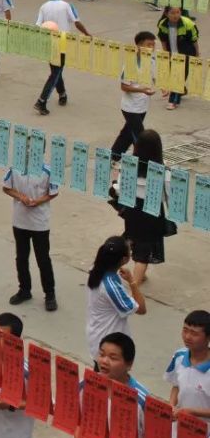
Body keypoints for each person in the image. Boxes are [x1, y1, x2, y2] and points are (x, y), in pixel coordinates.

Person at [72, 332, 147, 438]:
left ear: (129, 364)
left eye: (113, 358)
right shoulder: (86, 385)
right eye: (102, 354)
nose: (104, 361)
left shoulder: (142, 402)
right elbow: (78, 422)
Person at [111, 129, 169, 285]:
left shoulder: (129, 166)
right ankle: (135, 285)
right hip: (152, 214)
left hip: (132, 211)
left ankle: (112, 267)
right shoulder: (163, 171)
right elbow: (166, 195)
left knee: (132, 238)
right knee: (144, 250)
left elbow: (120, 188)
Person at [2, 157, 59, 312]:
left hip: (40, 223)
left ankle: (50, 294)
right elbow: (6, 187)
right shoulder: (15, 167)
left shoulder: (47, 170)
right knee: (21, 257)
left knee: (43, 259)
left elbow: (53, 192)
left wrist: (38, 201)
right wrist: (20, 197)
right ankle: (24, 290)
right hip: (20, 221)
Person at [84, 237, 146, 363]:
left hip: (97, 335)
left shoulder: (96, 269)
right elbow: (141, 309)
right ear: (124, 259)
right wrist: (132, 282)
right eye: (129, 251)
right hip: (109, 345)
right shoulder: (110, 287)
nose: (131, 252)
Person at [34, 0, 91, 115]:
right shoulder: (67, 5)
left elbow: (37, 25)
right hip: (62, 43)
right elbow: (76, 22)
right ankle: (41, 101)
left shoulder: (44, 6)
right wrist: (87, 33)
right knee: (55, 72)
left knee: (56, 70)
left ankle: (62, 94)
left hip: (48, 42)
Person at [165, 310, 210, 438]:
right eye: (185, 330)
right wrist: (172, 405)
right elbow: (176, 385)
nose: (187, 337)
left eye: (194, 333)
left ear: (208, 337)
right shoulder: (179, 355)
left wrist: (192, 412)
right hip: (180, 429)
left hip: (205, 437)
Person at [111, 32, 157, 159]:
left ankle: (114, 155)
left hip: (142, 106)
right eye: (148, 45)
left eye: (153, 45)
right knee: (140, 137)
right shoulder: (131, 64)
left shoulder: (151, 61)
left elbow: (154, 78)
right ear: (139, 45)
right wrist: (142, 90)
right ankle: (143, 164)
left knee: (127, 134)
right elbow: (124, 86)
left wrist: (164, 87)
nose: (151, 48)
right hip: (131, 108)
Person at [155, 5, 200, 110]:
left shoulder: (188, 24)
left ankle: (173, 101)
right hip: (172, 53)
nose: (176, 15)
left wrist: (197, 54)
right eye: (173, 13)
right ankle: (182, 90)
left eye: (178, 12)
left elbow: (194, 40)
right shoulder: (163, 24)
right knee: (174, 75)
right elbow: (163, 39)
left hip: (187, 54)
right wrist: (165, 52)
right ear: (166, 14)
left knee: (179, 76)